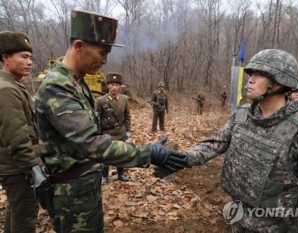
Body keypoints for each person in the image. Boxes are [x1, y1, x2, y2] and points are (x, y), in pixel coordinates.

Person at [34, 10, 187, 232]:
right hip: (70, 194)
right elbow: (91, 143)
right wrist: (148, 153)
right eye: (102, 53)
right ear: (79, 47)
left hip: (85, 186)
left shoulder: (76, 82)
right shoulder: (57, 86)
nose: (105, 61)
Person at [154, 49, 298, 232]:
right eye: (251, 74)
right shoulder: (243, 114)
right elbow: (215, 143)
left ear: (280, 82)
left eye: (259, 75)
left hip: (277, 227)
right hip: (238, 217)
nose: (251, 80)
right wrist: (184, 158)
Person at [0, 31, 41, 233]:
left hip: (14, 165)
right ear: (6, 58)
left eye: (30, 57)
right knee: (25, 216)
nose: (29, 62)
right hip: (17, 167)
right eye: (23, 57)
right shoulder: (6, 89)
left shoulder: (14, 85)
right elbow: (16, 137)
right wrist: (33, 168)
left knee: (16, 210)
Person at [96, 72, 131, 183]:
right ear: (108, 86)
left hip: (120, 131)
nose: (114, 88)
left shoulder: (124, 99)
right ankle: (105, 176)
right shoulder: (100, 101)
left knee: (120, 154)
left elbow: (127, 116)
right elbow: (96, 119)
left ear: (120, 87)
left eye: (116, 85)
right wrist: (98, 133)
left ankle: (120, 174)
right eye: (112, 85)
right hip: (107, 133)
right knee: (105, 155)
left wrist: (127, 130)